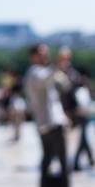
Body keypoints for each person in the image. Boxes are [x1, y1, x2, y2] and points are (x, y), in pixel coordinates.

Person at [24, 43, 71, 187]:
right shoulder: (35, 72)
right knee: (61, 160)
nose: (46, 55)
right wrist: (58, 63)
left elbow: (64, 85)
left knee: (48, 159)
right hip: (50, 124)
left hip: (47, 123)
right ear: (33, 56)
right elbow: (45, 78)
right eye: (42, 53)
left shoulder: (42, 72)